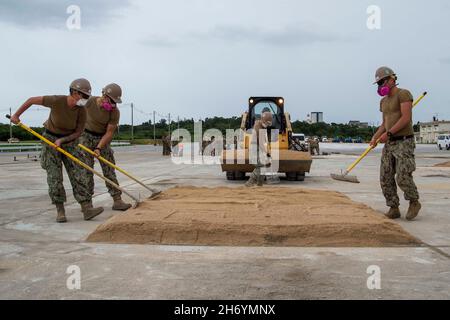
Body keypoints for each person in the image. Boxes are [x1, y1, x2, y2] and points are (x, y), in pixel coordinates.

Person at [10, 79, 104, 223]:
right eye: (84, 96)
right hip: (50, 139)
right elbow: (31, 100)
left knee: (79, 173)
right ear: (74, 92)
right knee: (54, 176)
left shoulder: (81, 111)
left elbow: (79, 132)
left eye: (87, 97)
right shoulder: (57, 100)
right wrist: (16, 115)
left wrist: (63, 140)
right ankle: (60, 210)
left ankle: (87, 208)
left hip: (69, 141)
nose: (86, 99)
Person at [369, 66, 421, 221]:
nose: (381, 85)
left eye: (382, 81)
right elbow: (384, 123)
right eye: (378, 83)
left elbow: (405, 118)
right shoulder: (383, 102)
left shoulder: (403, 94)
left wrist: (389, 134)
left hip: (404, 141)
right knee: (385, 177)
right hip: (390, 143)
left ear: (392, 79)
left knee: (403, 176)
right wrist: (375, 137)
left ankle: (414, 202)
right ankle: (394, 207)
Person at [79, 83, 131, 212]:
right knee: (86, 170)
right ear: (104, 95)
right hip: (85, 136)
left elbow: (109, 132)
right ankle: (87, 205)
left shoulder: (114, 112)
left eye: (115, 102)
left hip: (103, 138)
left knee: (109, 168)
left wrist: (99, 148)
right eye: (112, 101)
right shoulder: (89, 101)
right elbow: (73, 108)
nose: (113, 104)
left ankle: (117, 200)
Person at [246, 112, 273, 187]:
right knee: (260, 166)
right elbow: (261, 142)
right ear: (263, 120)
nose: (267, 125)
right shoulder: (258, 127)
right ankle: (250, 183)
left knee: (265, 166)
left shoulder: (263, 126)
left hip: (260, 148)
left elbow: (264, 142)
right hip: (255, 148)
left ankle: (260, 184)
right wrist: (267, 153)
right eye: (267, 123)